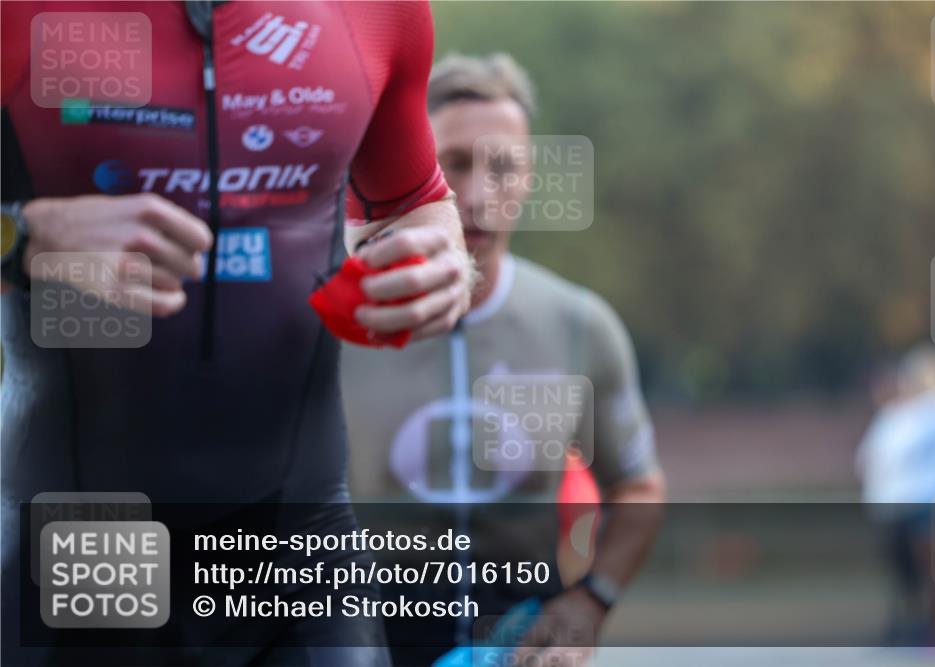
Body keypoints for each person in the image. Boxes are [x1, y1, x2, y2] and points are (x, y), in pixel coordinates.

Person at [1, 2, 472, 665]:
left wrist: (438, 257)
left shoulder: (377, 10)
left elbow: (416, 198)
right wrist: (23, 238)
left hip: (298, 545)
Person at [341, 53, 666, 666]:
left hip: (518, 646)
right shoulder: (338, 321)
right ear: (404, 168)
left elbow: (639, 485)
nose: (477, 194)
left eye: (504, 166)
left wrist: (589, 603)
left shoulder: (577, 323)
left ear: (530, 176)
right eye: (453, 163)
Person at [855, 345, 935, 645]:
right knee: (905, 571)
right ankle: (910, 624)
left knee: (932, 568)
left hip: (929, 502)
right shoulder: (894, 417)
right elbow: (868, 459)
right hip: (895, 507)